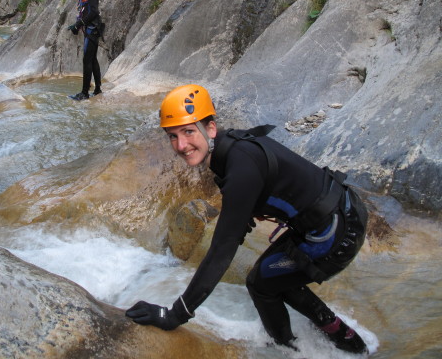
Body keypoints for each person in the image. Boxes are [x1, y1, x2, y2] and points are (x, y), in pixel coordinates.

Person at [125, 84, 369, 354]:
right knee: (275, 277)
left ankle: (290, 350)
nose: (181, 145)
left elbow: (220, 253)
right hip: (337, 214)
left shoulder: (241, 166)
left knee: (261, 283)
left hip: (335, 232)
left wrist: (174, 315)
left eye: (189, 131)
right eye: (172, 136)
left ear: (211, 129)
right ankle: (344, 341)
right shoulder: (231, 148)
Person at [67, 0, 102, 100]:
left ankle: (84, 93)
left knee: (87, 60)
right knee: (92, 59)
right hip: (90, 27)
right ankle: (98, 89)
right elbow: (85, 10)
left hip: (93, 28)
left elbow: (94, 10)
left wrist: (79, 24)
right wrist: (77, 24)